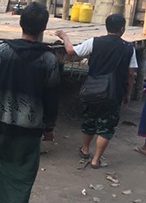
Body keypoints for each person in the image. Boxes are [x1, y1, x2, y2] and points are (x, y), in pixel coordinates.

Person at [0, 2, 60, 203]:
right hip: (31, 124)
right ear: (44, 27)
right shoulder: (49, 59)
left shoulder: (2, 51)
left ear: (20, 22)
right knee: (25, 168)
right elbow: (52, 95)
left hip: (3, 117)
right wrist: (50, 126)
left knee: (1, 159)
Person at [55, 13, 137, 169]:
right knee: (106, 126)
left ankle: (85, 149)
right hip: (114, 93)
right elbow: (131, 74)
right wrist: (127, 93)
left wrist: (64, 36)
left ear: (106, 27)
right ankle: (96, 160)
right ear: (122, 29)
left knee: (89, 121)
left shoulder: (95, 42)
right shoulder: (129, 48)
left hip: (92, 90)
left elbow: (71, 51)